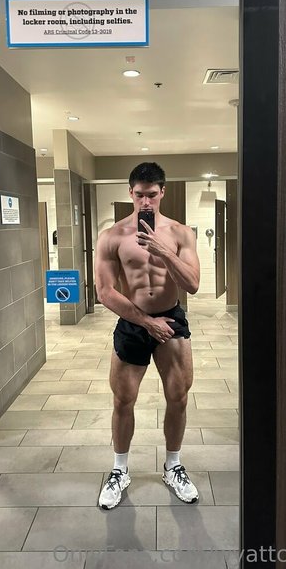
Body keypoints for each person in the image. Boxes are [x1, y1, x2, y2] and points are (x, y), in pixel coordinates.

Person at [94, 162, 200, 510]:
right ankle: (119, 470)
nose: (145, 202)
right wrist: (144, 321)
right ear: (130, 193)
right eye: (139, 195)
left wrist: (163, 251)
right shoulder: (111, 236)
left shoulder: (181, 233)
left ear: (162, 192)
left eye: (152, 195)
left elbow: (192, 285)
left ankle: (173, 466)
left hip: (171, 319)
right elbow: (105, 292)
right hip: (133, 321)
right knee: (123, 400)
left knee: (178, 397)